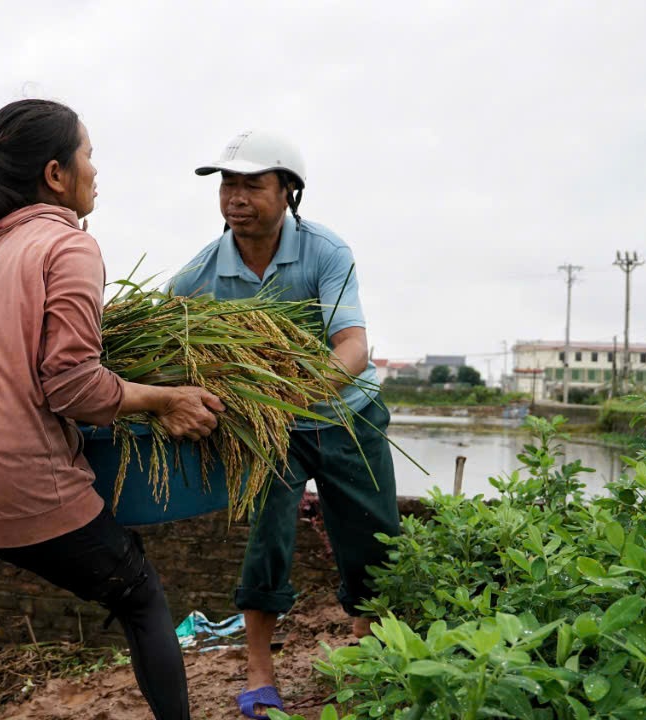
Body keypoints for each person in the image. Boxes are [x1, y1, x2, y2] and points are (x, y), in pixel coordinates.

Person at [0, 99, 223, 720]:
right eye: (88, 156)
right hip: (7, 473)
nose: (96, 171)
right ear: (55, 174)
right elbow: (72, 386)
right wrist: (163, 399)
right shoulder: (66, 246)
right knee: (142, 598)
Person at [170, 130, 400, 719]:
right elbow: (166, 331)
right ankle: (259, 669)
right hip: (275, 430)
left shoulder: (325, 252)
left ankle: (366, 643)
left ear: (289, 192)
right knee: (269, 533)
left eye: (253, 184)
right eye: (228, 184)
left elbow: (352, 344)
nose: (235, 197)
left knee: (372, 535)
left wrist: (287, 390)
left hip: (348, 414)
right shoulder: (204, 271)